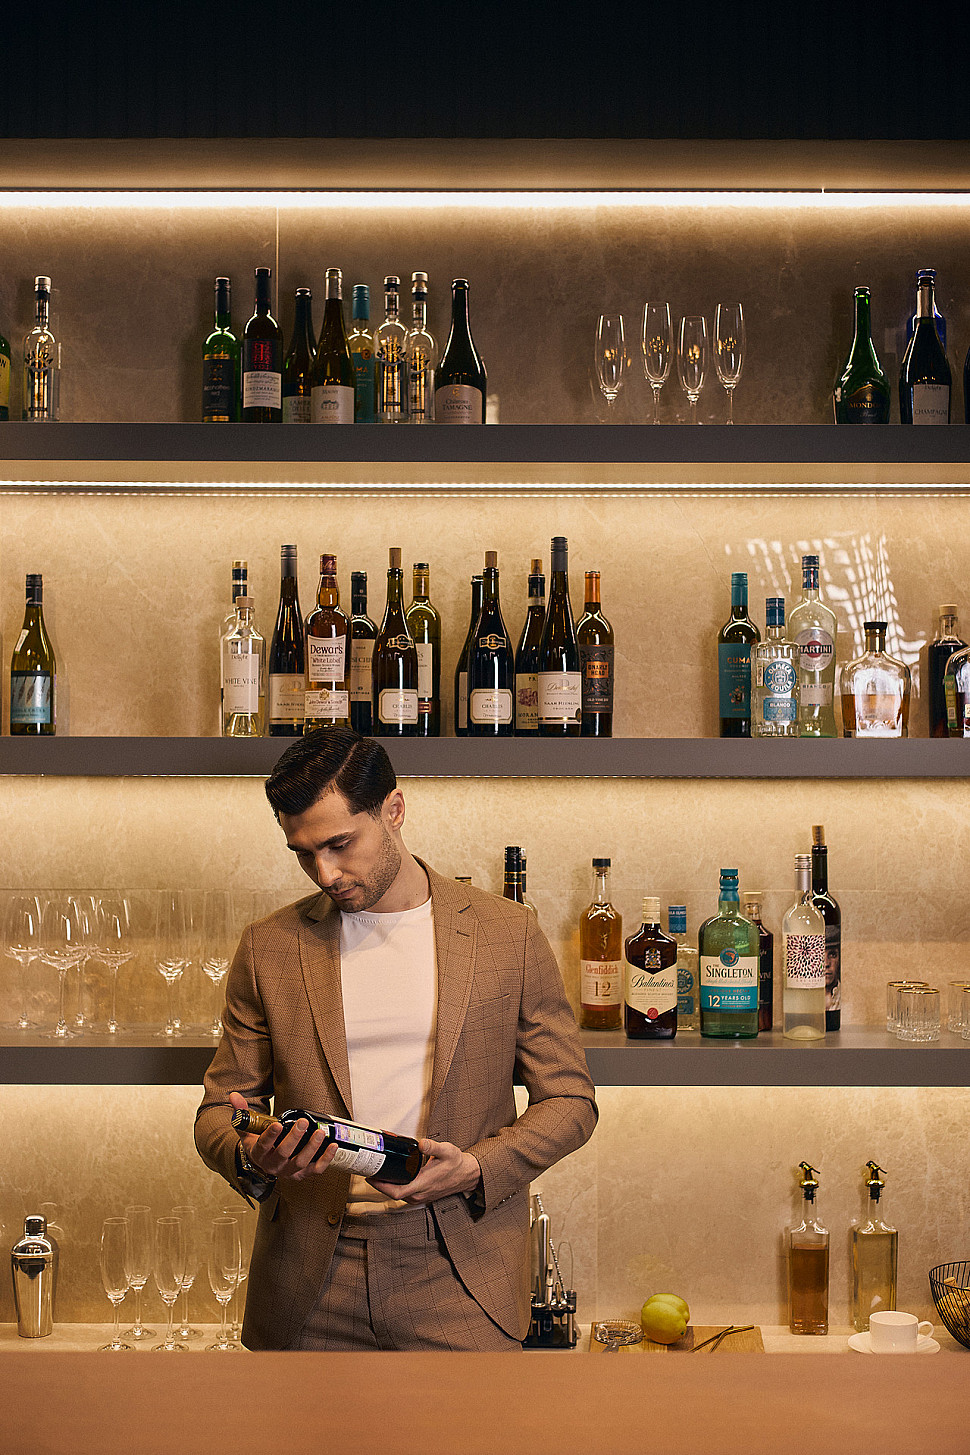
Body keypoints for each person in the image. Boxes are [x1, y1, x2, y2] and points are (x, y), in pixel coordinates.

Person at [195, 726, 597, 1351]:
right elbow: (218, 1114)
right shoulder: (268, 946)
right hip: (307, 1284)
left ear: (394, 810)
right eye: (303, 853)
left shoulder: (507, 934)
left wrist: (475, 1168)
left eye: (339, 844)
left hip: (460, 1273)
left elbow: (570, 1101)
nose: (325, 873)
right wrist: (253, 1156)